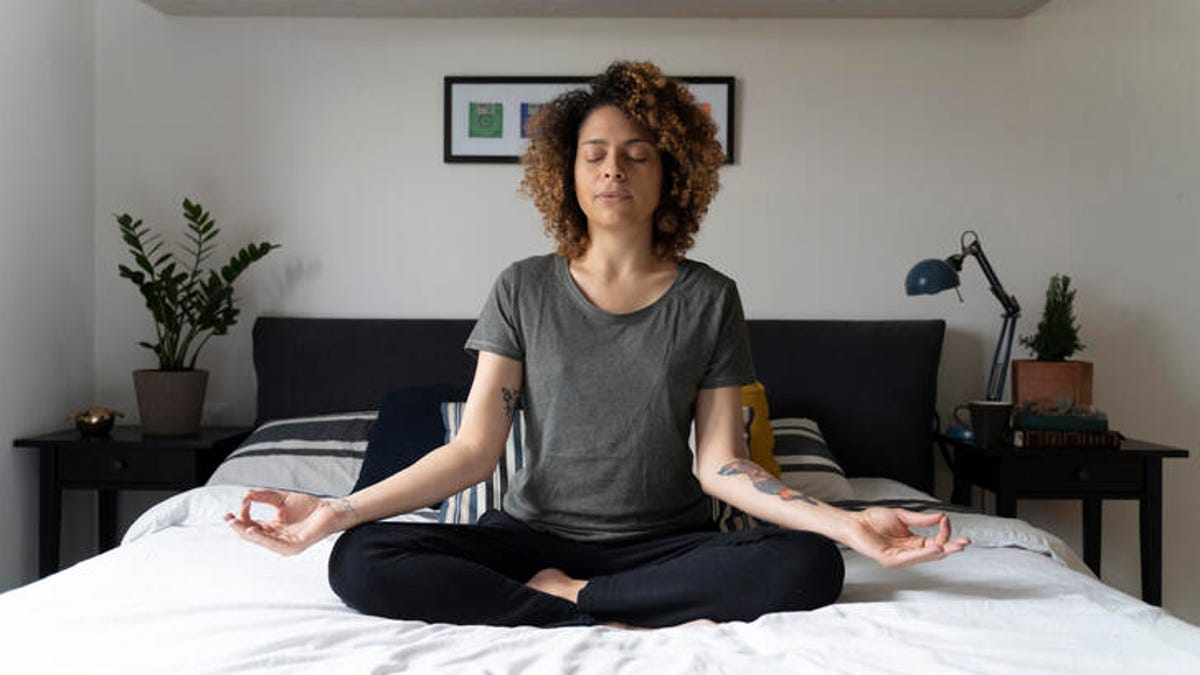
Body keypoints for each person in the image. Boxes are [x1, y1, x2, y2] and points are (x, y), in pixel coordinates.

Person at [225, 60, 970, 629]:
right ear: (568, 172)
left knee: (809, 566)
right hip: (526, 535)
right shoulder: (522, 287)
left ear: (671, 171)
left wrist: (847, 524)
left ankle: (574, 598)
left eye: (638, 153)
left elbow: (721, 463)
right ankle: (595, 601)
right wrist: (336, 510)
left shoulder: (710, 297)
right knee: (360, 560)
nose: (615, 167)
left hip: (666, 543)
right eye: (595, 153)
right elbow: (474, 451)